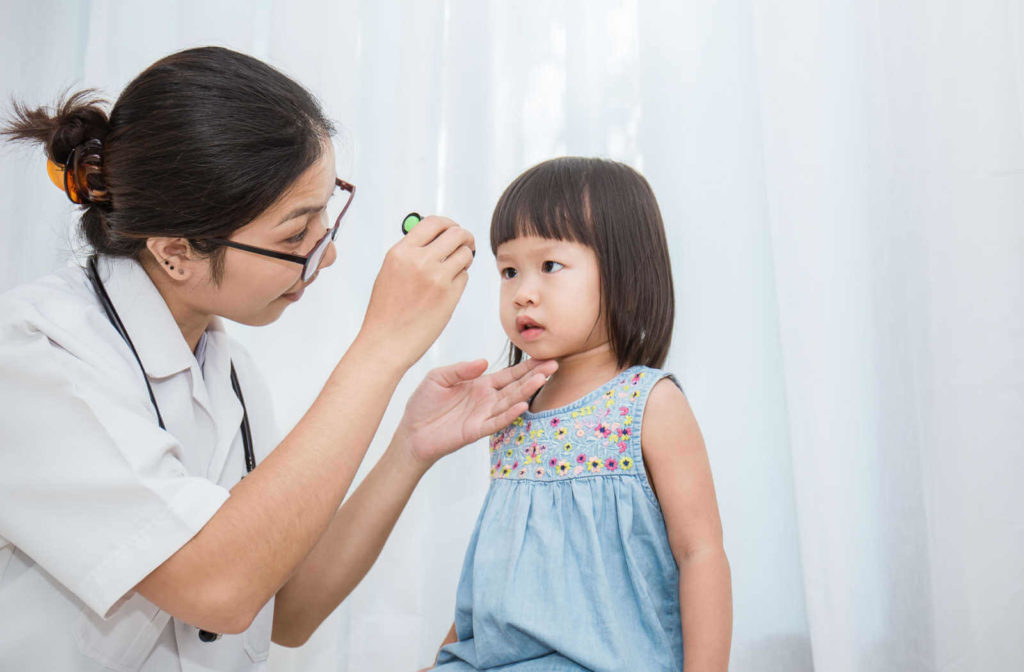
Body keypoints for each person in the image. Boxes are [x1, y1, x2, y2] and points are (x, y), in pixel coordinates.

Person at [0, 46, 556, 671]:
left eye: (326, 217)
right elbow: (220, 590)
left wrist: (410, 448)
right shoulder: (34, 356)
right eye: (295, 235)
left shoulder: (231, 376)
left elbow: (287, 610)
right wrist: (379, 348)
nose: (327, 255)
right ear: (175, 252)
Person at [427, 157, 732, 671]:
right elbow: (493, 568)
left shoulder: (648, 402)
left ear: (623, 273)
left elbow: (700, 554)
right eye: (508, 270)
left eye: (549, 266)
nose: (523, 290)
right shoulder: (511, 410)